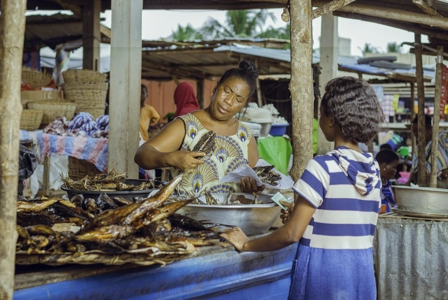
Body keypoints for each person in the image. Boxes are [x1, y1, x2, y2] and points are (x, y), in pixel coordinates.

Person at [221, 77, 384, 300]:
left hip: (323, 271)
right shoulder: (373, 170)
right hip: (361, 272)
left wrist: (247, 244)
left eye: (322, 112)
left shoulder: (322, 166)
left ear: (331, 120)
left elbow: (291, 234)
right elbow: (341, 221)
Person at [134, 60, 264, 194]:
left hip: (232, 214)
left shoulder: (245, 136)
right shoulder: (187, 125)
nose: (229, 101)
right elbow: (141, 155)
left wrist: (253, 187)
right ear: (216, 87)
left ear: (244, 104)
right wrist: (171, 158)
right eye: (226, 91)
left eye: (238, 99)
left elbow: (256, 179)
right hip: (189, 213)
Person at [409, 114, 448, 188]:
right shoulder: (418, 148)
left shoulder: (443, 139)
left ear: (428, 128)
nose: (416, 135)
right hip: (425, 187)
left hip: (442, 185)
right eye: (414, 132)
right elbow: (413, 170)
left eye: (418, 131)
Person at [375, 149, 399, 213]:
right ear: (384, 166)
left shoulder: (388, 183)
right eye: (394, 167)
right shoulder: (372, 183)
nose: (395, 171)